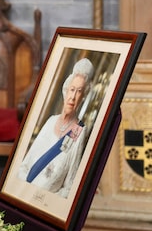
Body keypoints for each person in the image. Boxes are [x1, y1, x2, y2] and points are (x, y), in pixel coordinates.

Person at [18, 58, 95, 198]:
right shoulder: (50, 121)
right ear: (65, 91)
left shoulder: (78, 131)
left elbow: (70, 186)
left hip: (45, 203)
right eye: (72, 90)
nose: (73, 97)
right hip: (24, 192)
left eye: (79, 92)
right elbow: (25, 165)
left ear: (83, 97)